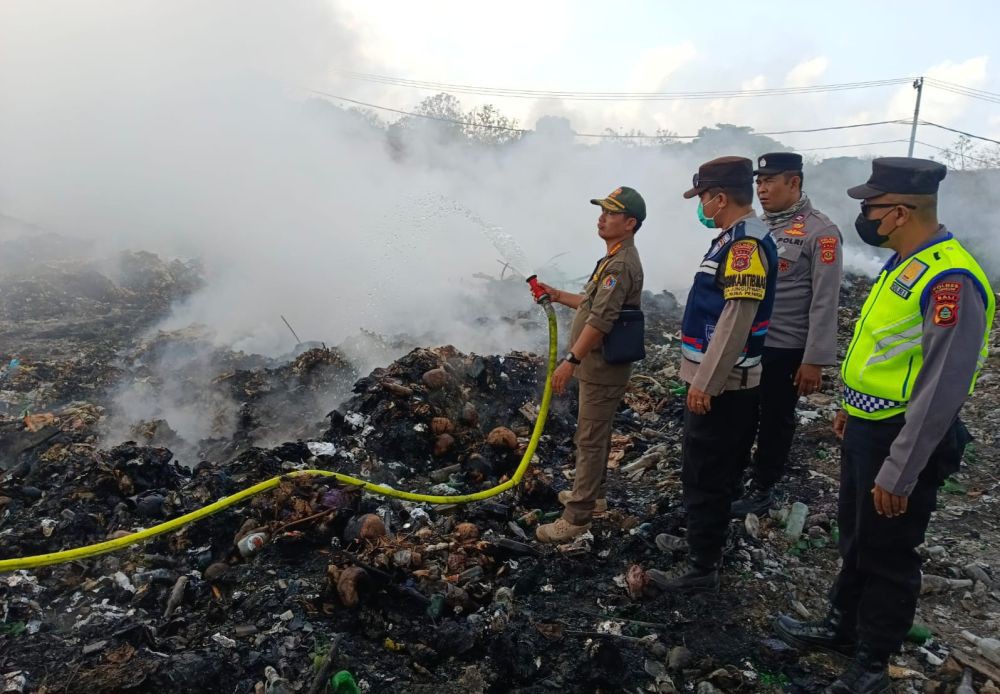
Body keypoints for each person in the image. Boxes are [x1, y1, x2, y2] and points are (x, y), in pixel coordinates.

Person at [774, 158, 995, 694]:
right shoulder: (904, 262)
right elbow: (883, 351)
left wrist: (900, 469)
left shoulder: (950, 278)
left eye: (869, 206)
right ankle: (840, 627)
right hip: (871, 429)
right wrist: (850, 407)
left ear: (898, 212)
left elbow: (941, 387)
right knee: (857, 537)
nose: (863, 215)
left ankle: (871, 664)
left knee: (889, 553)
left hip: (906, 438)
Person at [647, 157, 778, 591]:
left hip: (724, 387)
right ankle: (703, 547)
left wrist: (706, 381)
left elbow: (736, 319)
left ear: (720, 198)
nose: (701, 205)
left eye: (703, 197)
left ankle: (702, 568)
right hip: (723, 382)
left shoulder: (745, 245)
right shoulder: (732, 239)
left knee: (707, 474)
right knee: (710, 471)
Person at [731, 152, 843, 517]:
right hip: (751, 342)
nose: (761, 189)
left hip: (786, 347)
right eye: (758, 182)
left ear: (793, 182)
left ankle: (764, 487)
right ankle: (737, 478)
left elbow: (825, 301)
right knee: (744, 413)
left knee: (776, 418)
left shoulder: (820, 233)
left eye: (769, 182)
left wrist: (814, 359)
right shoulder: (761, 226)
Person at [534, 186, 646, 543]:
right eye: (602, 211)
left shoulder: (621, 264)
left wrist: (570, 361)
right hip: (597, 366)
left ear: (630, 223)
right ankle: (593, 497)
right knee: (594, 433)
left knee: (591, 438)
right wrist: (556, 294)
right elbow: (590, 304)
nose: (602, 218)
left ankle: (577, 516)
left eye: (611, 214)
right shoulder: (612, 259)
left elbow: (601, 321)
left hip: (601, 367)